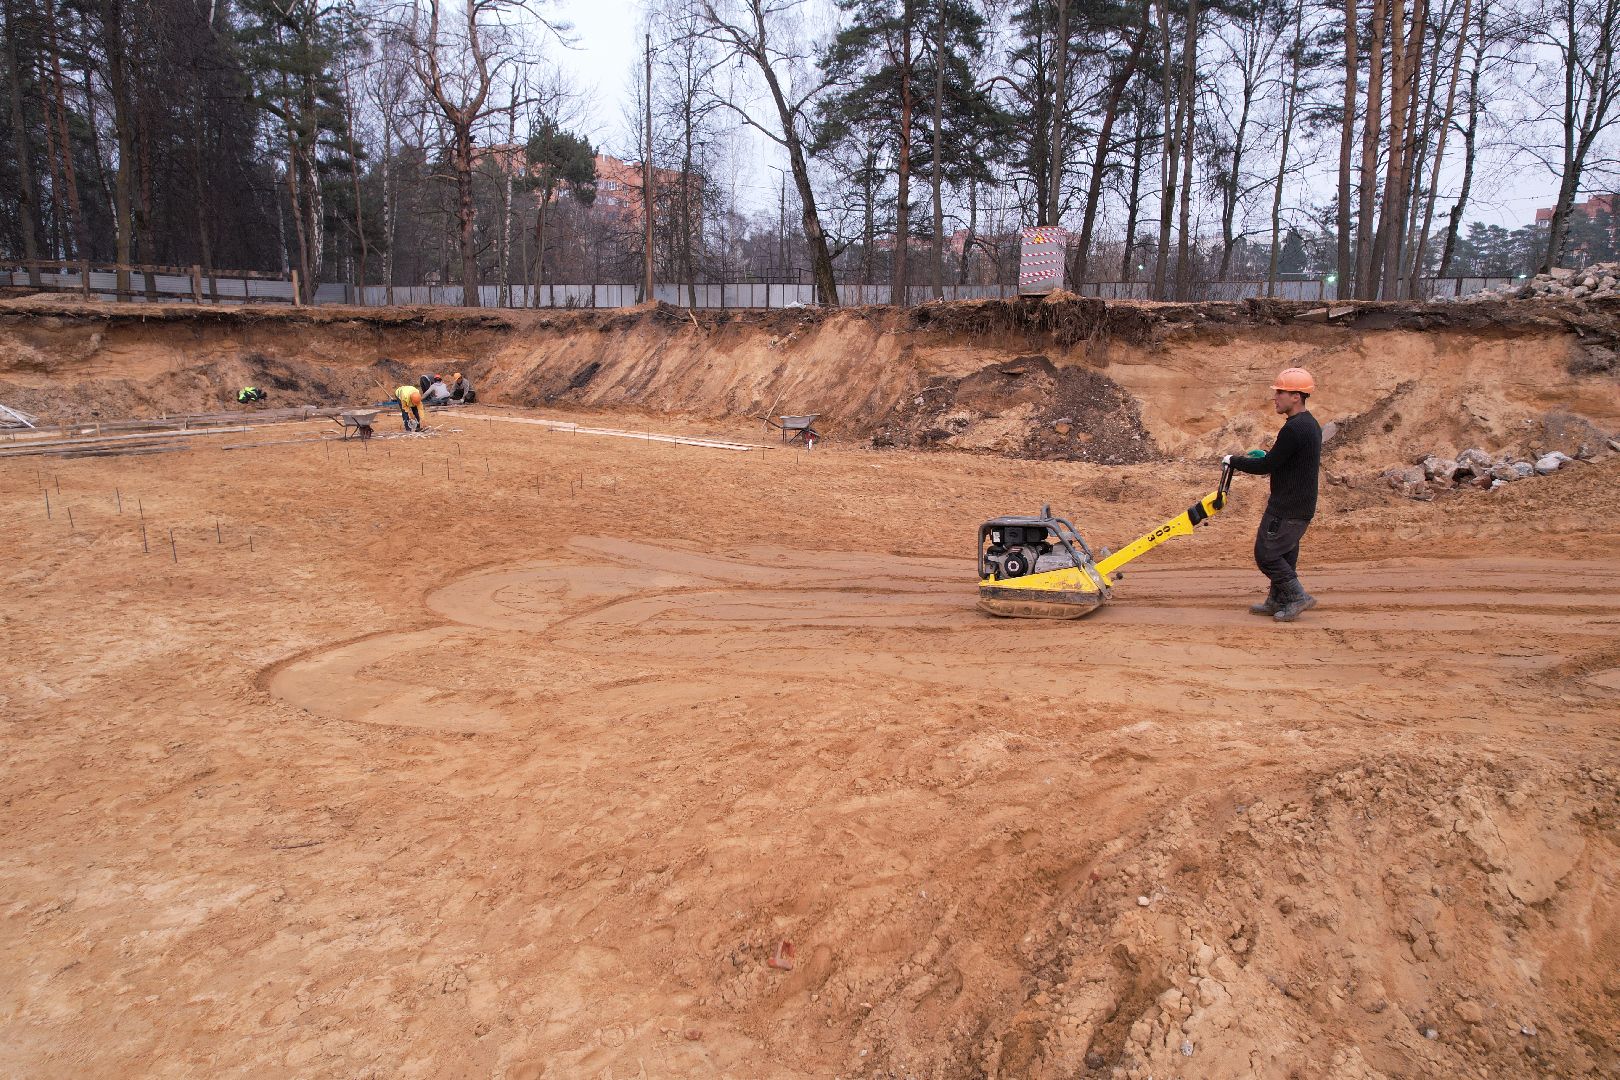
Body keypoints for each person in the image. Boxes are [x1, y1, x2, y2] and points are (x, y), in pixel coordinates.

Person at [1223, 367, 1322, 622]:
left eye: (1280, 392)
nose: (1275, 397)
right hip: (1300, 504)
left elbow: (1267, 467)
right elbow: (1285, 461)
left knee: (1267, 555)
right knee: (1285, 554)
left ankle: (1298, 597)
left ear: (1296, 396)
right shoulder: (1309, 424)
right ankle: (1277, 600)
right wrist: (1268, 456)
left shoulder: (1294, 429)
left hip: (1287, 506)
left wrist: (1234, 460)